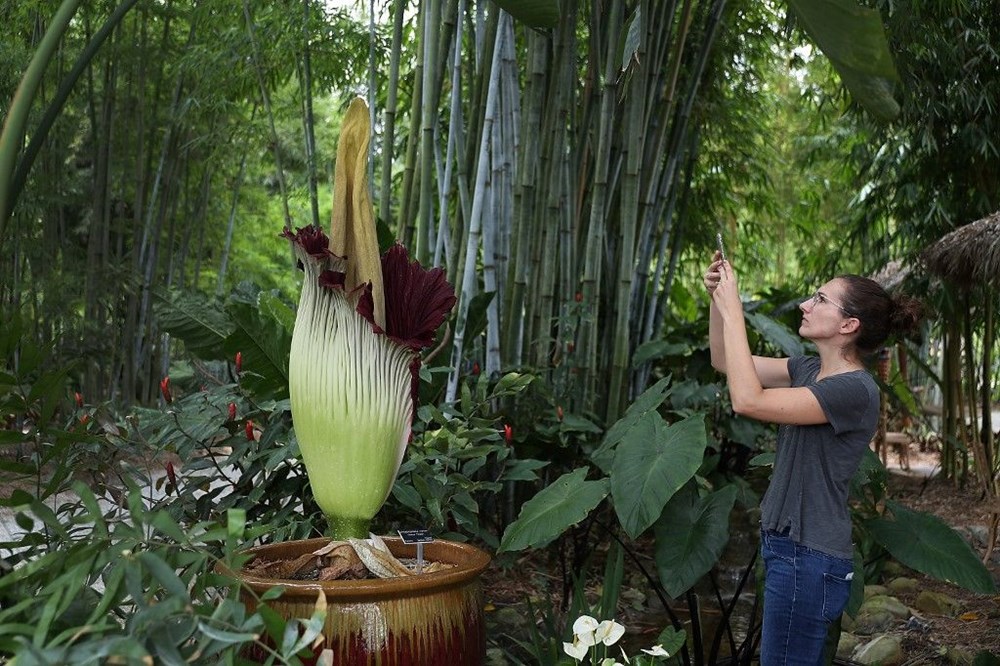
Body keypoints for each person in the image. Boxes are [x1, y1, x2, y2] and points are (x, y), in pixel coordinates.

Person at [703, 252, 923, 665]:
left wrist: (736, 307)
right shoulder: (807, 369)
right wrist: (718, 300)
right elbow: (726, 363)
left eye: (820, 299)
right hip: (788, 548)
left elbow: (747, 400)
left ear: (848, 325)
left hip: (809, 558)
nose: (806, 304)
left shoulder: (855, 391)